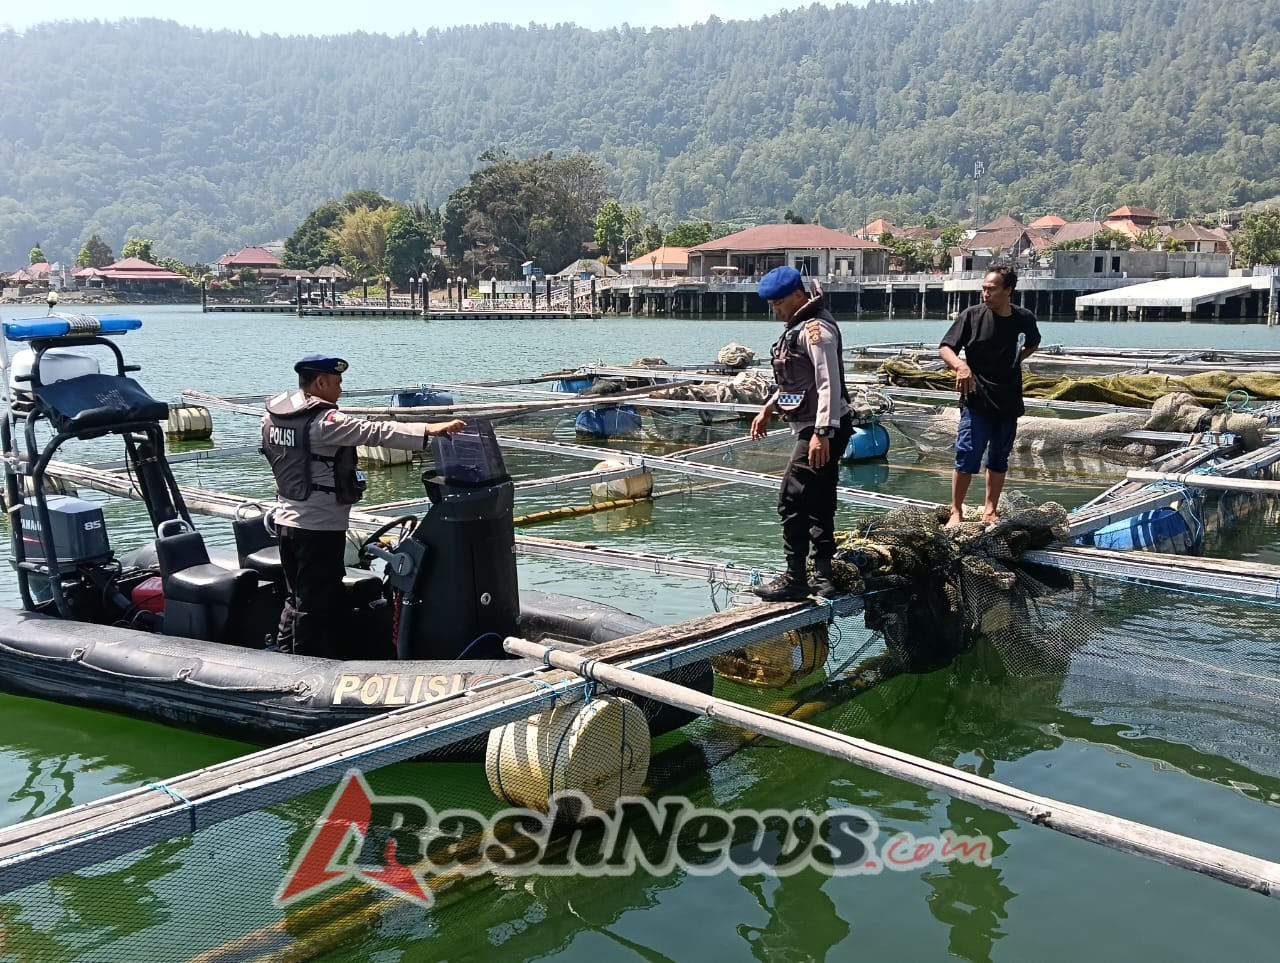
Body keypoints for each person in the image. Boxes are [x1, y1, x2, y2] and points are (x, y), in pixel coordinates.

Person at [262, 353, 465, 657]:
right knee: (316, 604)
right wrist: (428, 430)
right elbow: (374, 431)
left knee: (297, 598)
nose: (341, 388)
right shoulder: (324, 423)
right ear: (320, 381)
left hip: (286, 522)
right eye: (337, 381)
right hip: (319, 527)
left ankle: (285, 654)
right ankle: (304, 669)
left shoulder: (275, 417)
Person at [749, 266, 854, 601]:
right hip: (819, 426)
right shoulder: (799, 328)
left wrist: (822, 432)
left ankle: (795, 578)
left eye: (779, 303)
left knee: (792, 498)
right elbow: (797, 381)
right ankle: (822, 575)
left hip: (823, 427)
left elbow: (828, 383)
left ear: (798, 295)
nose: (775, 310)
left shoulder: (816, 330)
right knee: (820, 499)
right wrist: (769, 407)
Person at [938, 265, 1041, 527]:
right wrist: (961, 366)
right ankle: (956, 511)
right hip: (977, 400)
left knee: (999, 457)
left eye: (992, 289)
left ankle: (990, 509)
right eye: (984, 288)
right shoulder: (971, 317)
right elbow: (945, 348)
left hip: (1008, 401)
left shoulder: (1024, 318)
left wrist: (1016, 358)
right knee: (967, 454)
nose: (986, 294)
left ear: (1008, 290)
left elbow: (1033, 342)